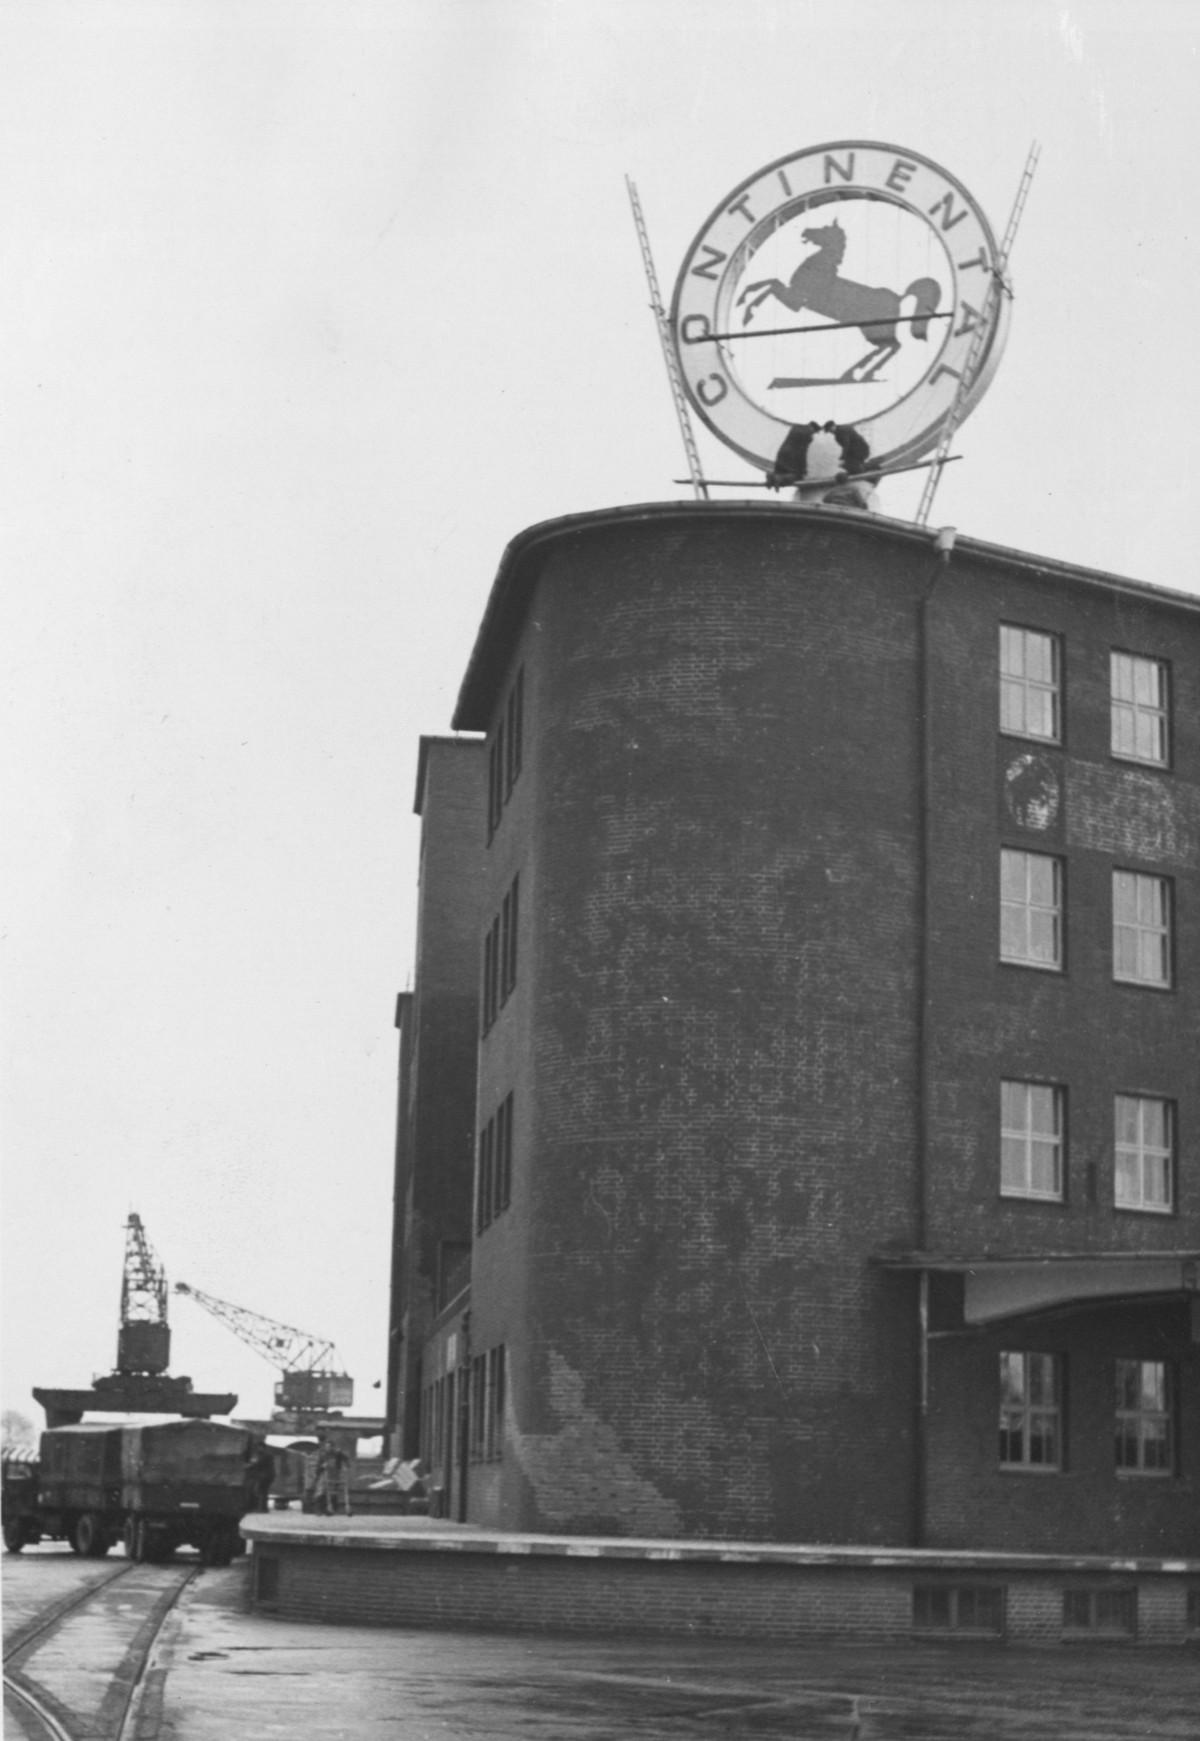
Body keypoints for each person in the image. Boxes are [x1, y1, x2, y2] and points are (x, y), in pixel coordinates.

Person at [312, 1433, 351, 1517]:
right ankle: (319, 1510)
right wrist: (321, 1467)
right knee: (321, 1492)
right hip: (324, 1475)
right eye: (327, 1447)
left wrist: (347, 1466)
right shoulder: (323, 1455)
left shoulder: (338, 1454)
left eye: (329, 1447)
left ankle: (331, 1509)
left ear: (333, 1447)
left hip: (335, 1475)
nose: (328, 1448)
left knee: (333, 1493)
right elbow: (318, 1467)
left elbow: (346, 1459)